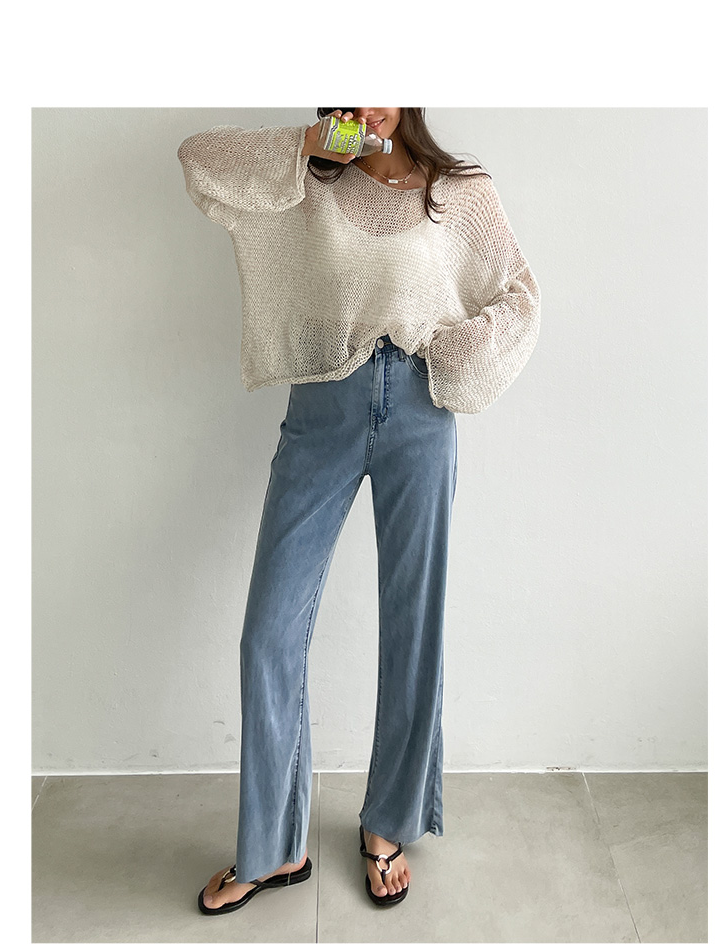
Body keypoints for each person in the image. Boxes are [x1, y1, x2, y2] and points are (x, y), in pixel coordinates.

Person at [177, 109, 540, 914]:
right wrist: (308, 148)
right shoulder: (311, 182)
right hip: (323, 411)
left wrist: (456, 346)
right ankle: (275, 847)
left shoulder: (456, 191)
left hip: (420, 412)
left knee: (414, 623)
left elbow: (519, 294)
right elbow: (199, 162)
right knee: (269, 633)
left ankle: (389, 823)